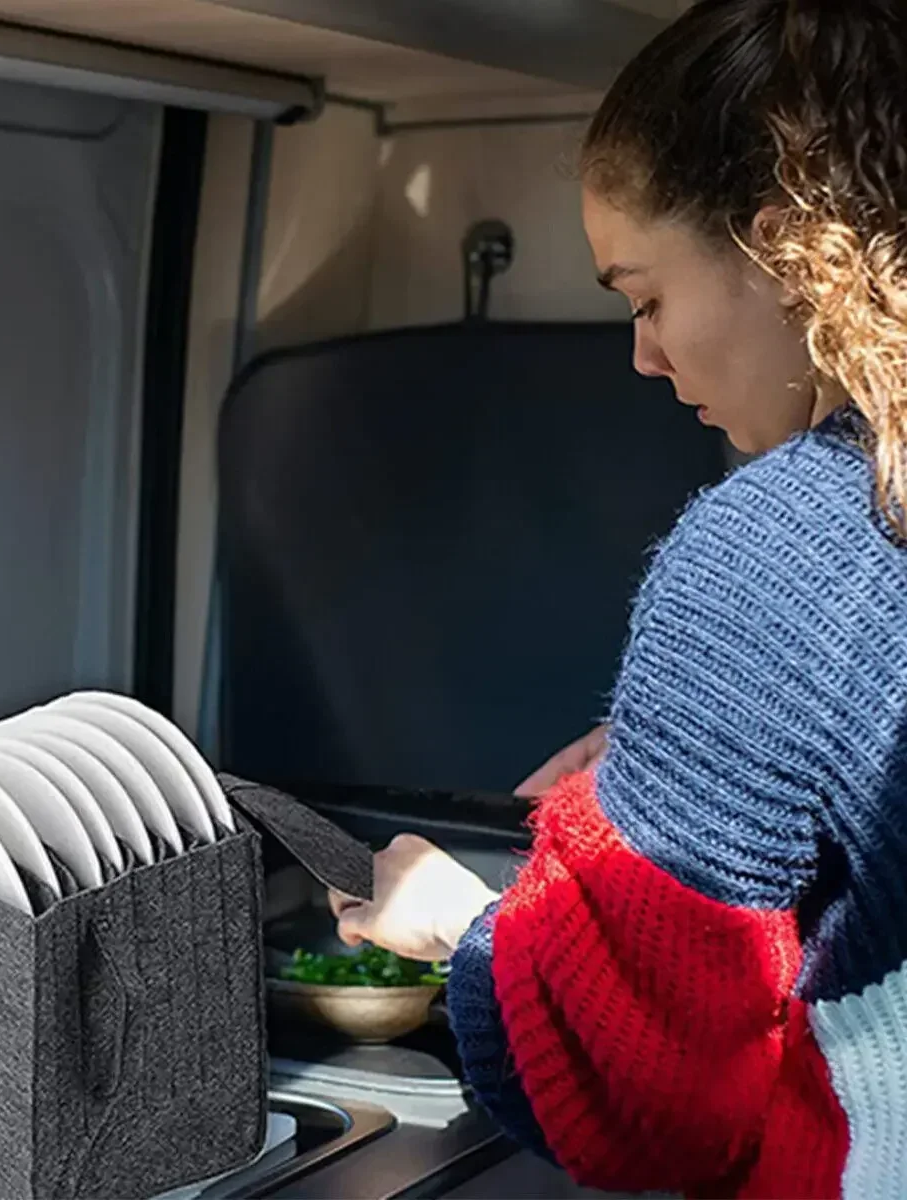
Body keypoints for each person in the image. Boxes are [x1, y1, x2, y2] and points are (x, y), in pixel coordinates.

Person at [328, 2, 907, 1196]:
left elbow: (644, 1098)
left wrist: (458, 926)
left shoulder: (774, 551)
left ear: (785, 252)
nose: (644, 356)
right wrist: (692, 768)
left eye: (645, 298)